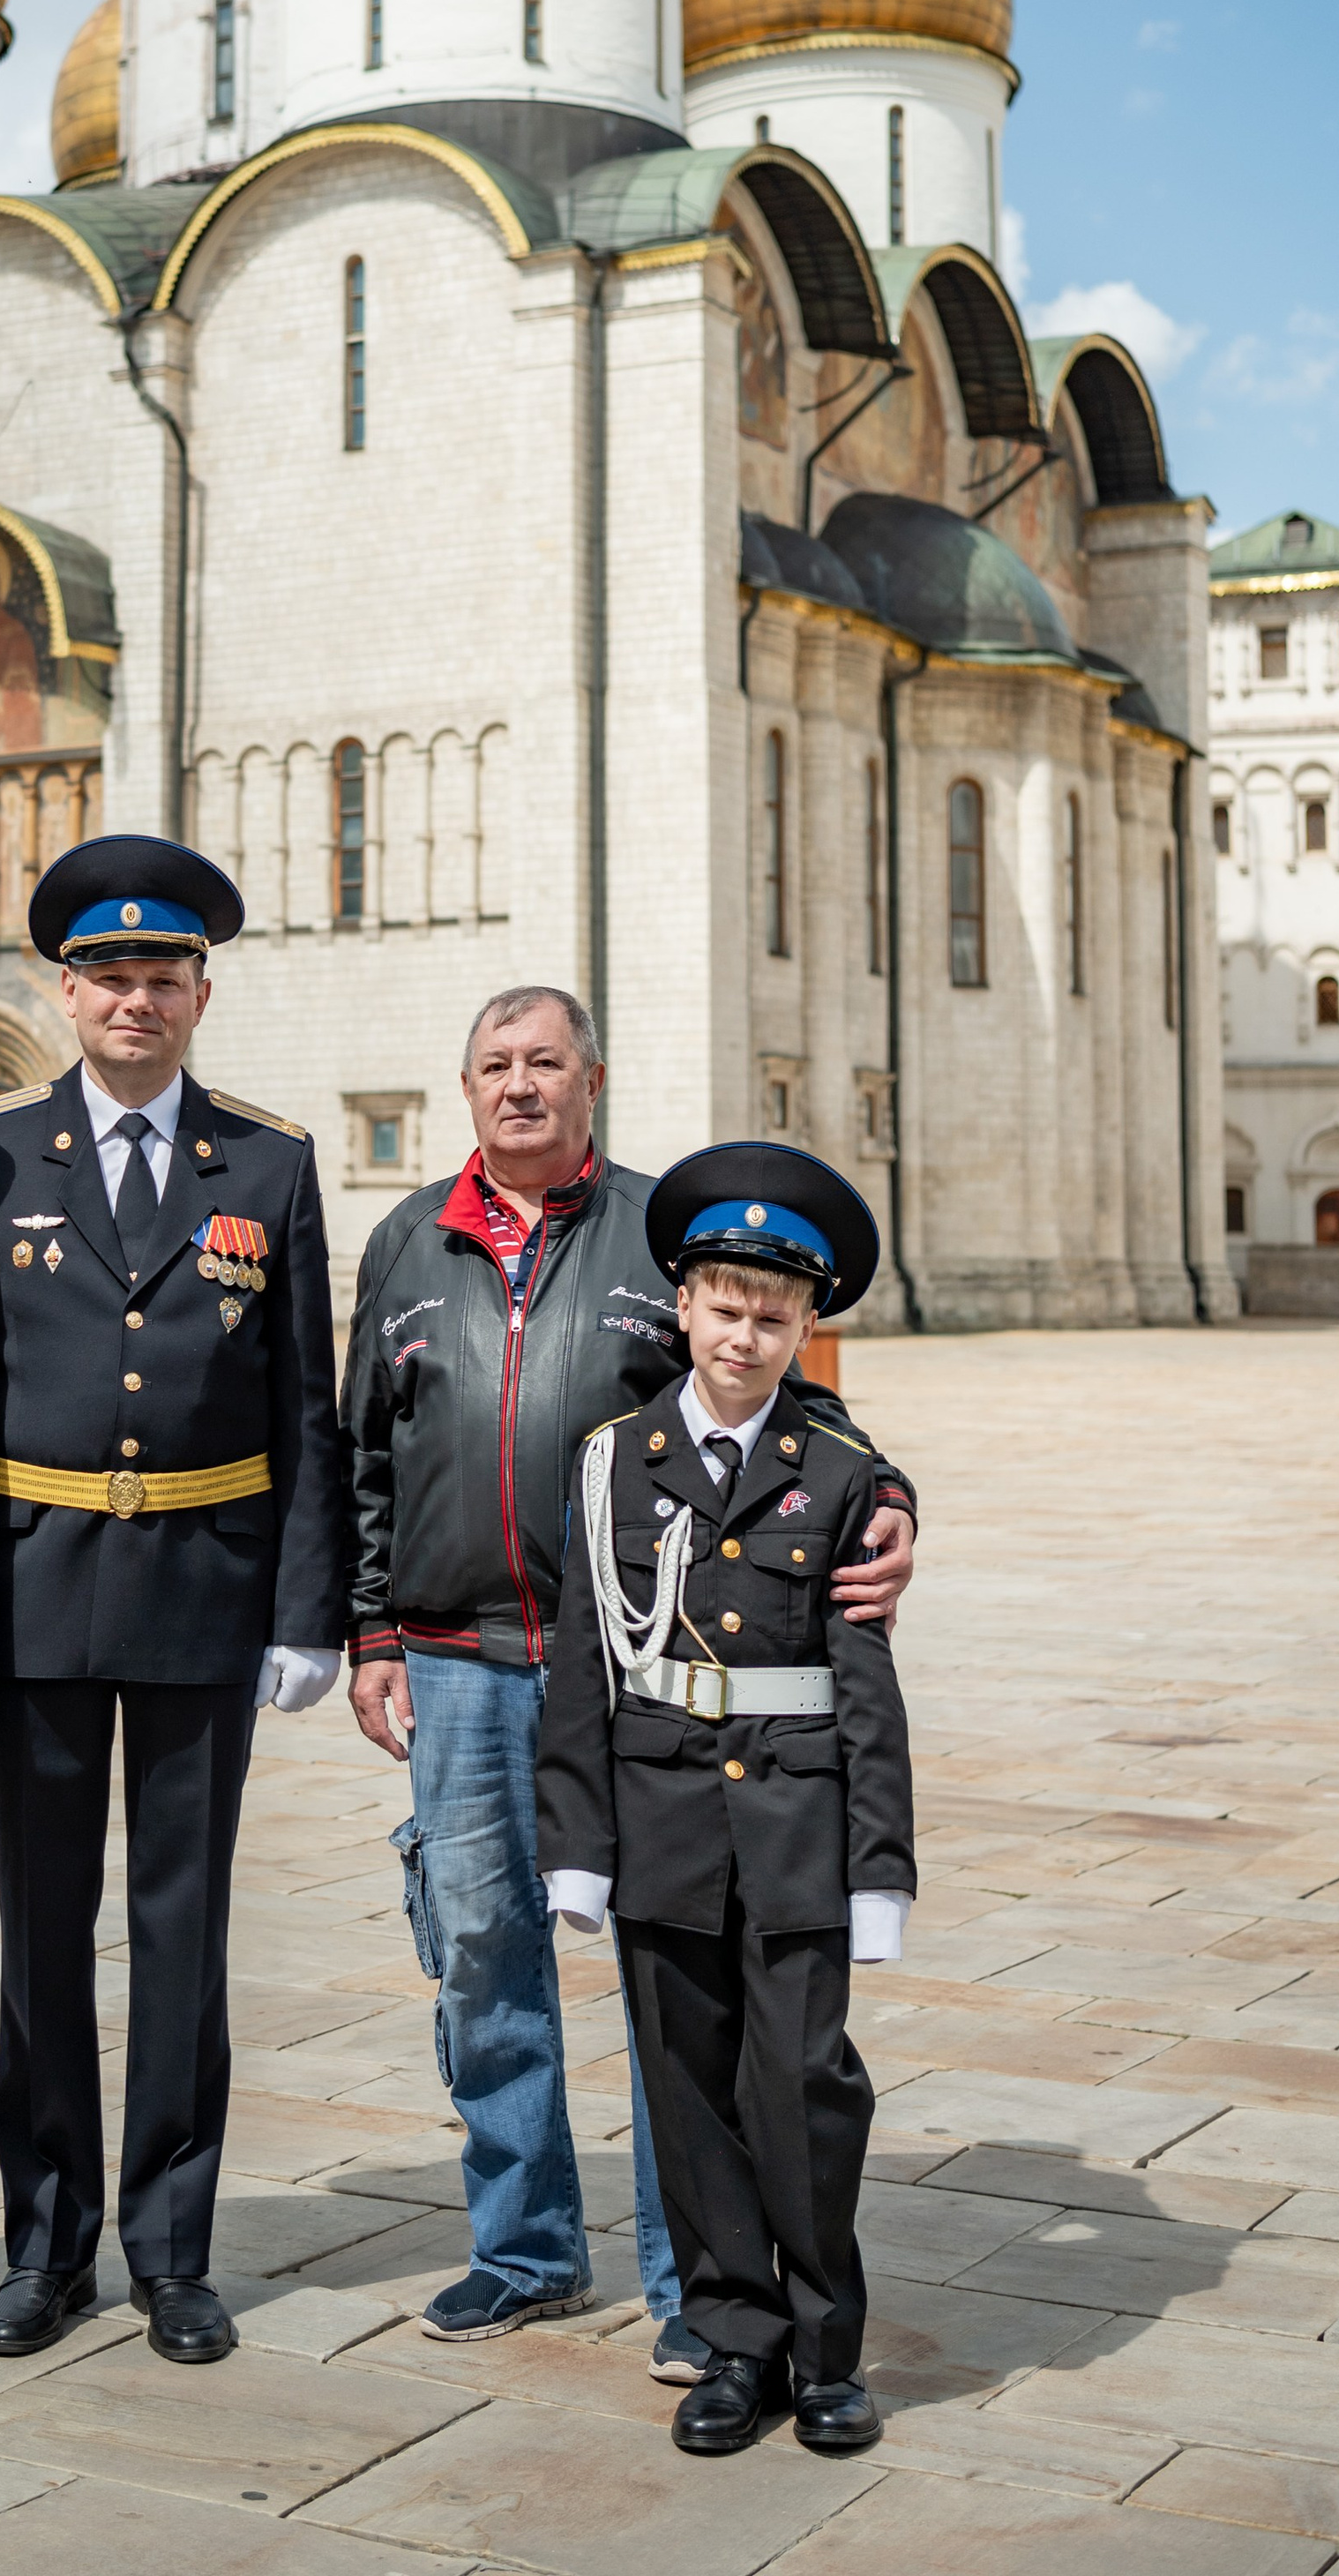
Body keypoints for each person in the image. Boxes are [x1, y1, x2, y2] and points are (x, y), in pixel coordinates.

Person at [340, 986, 916, 2364]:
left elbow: (784, 1394)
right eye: (497, 1064)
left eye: (548, 1063)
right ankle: (524, 2247)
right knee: (483, 1957)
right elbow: (363, 1451)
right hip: (460, 1661)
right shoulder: (406, 1239)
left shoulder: (665, 1236)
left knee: (682, 1973)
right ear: (464, 1084)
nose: (521, 1085)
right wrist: (366, 1630)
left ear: (594, 1081)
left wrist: (886, 1487)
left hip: (641, 1676)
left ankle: (691, 2281)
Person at [0, 835, 346, 2370]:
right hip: (32, 1601)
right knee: (42, 1933)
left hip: (201, 1598)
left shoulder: (274, 1161)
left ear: (201, 994)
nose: (135, 999)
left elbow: (308, 1405)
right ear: (66, 990)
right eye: (108, 975)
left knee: (182, 1931)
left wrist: (311, 1610)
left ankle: (172, 2247)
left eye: (163, 976)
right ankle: (45, 2244)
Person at [536, 1143, 913, 2458]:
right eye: (726, 1307)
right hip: (661, 1825)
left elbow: (867, 1687)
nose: (746, 1335)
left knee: (805, 2087)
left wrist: (881, 1872)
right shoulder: (612, 1461)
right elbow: (583, 1664)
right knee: (687, 2092)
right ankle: (731, 2340)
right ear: (682, 1306)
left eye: (775, 1314)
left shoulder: (843, 1471)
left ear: (809, 1325)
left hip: (801, 1830)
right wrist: (575, 1847)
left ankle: (824, 2352)